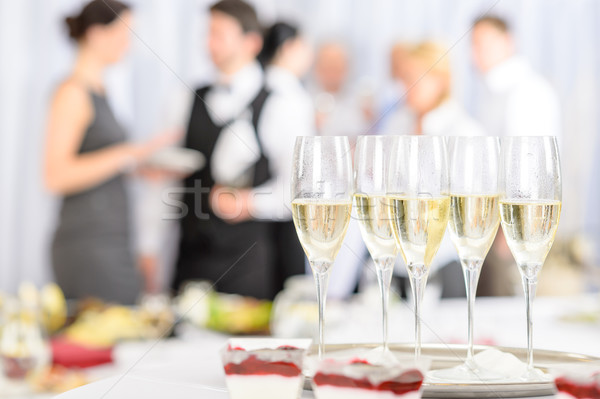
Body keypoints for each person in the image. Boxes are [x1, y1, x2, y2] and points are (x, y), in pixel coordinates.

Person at [172, 2, 311, 300]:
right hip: (190, 267)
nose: (208, 44)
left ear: (252, 42)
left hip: (252, 270)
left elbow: (302, 189)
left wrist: (250, 202)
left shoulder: (282, 102)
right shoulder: (188, 98)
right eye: (207, 34)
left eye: (218, 34)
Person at [45, 0, 176, 304]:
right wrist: (130, 153)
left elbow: (97, 163)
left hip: (110, 240)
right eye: (124, 34)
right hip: (88, 245)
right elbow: (55, 175)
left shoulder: (99, 90)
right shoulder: (72, 92)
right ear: (96, 34)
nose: (128, 45)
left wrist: (140, 167)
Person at [380, 41, 484, 298]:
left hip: (445, 267)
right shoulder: (397, 122)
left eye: (414, 79)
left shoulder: (464, 132)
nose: (405, 87)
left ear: (441, 80)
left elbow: (468, 213)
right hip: (396, 264)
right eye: (404, 78)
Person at [471, 15, 561, 141]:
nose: (474, 54)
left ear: (508, 41)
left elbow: (523, 155)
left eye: (482, 44)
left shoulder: (528, 91)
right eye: (473, 46)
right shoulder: (492, 90)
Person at [309, 42, 374, 138]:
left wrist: (370, 119)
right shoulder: (304, 102)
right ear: (317, 67)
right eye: (328, 62)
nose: (333, 67)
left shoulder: (360, 101)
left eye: (337, 62)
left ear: (347, 67)